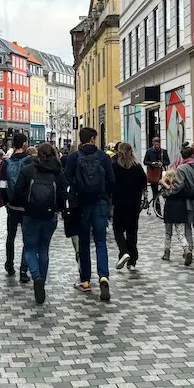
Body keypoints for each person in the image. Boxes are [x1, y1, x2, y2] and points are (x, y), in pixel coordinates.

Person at [64, 126, 116, 301]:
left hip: (82, 205)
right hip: (100, 203)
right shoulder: (102, 156)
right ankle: (103, 276)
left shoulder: (73, 157)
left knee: (84, 243)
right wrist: (106, 197)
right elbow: (111, 180)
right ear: (93, 139)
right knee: (101, 241)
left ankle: (85, 280)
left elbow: (66, 180)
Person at [15, 142, 68, 304]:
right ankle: (41, 282)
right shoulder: (58, 171)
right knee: (44, 249)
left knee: (30, 248)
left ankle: (36, 276)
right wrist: (58, 209)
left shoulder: (28, 170)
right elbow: (63, 194)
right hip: (49, 216)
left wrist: (25, 205)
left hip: (30, 215)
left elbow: (18, 192)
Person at [111, 142, 146, 270]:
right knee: (132, 231)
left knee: (118, 230)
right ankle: (132, 260)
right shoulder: (137, 166)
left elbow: (110, 182)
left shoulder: (114, 166)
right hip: (134, 203)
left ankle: (123, 251)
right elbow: (143, 182)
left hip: (119, 203)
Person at [3, 134, 32, 281]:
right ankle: (23, 270)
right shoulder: (29, 161)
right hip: (26, 206)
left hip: (12, 205)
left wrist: (6, 200)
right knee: (27, 238)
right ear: (25, 144)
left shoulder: (7, 162)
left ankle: (9, 264)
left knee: (11, 236)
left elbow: (2, 184)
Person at [160, 167, 189, 263]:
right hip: (180, 210)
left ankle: (166, 252)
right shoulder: (180, 187)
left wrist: (165, 185)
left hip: (169, 211)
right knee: (181, 233)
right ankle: (186, 249)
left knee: (168, 233)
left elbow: (164, 194)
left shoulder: (166, 188)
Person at [144, 136, 170, 204]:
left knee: (164, 190)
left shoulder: (163, 151)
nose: (157, 146)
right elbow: (145, 162)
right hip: (153, 174)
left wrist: (162, 163)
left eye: (158, 144)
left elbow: (168, 162)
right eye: (155, 144)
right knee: (154, 191)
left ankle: (165, 205)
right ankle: (157, 207)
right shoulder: (149, 151)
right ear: (153, 143)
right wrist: (152, 163)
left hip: (162, 173)